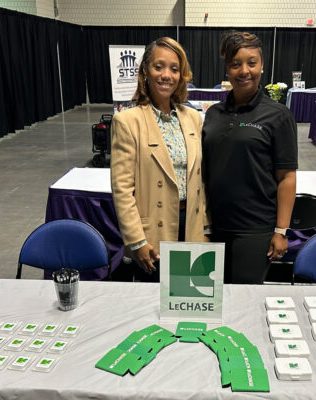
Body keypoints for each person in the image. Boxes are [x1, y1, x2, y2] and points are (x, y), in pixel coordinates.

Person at [202, 31, 298, 284]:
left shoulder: (278, 116)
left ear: (262, 66)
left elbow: (287, 176)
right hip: (213, 227)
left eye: (251, 63)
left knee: (242, 300)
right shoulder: (213, 114)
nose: (244, 70)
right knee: (210, 301)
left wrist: (280, 231)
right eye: (236, 64)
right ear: (227, 69)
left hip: (254, 229)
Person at [111, 37, 207, 281]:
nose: (167, 75)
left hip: (191, 227)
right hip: (152, 232)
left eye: (174, 69)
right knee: (153, 305)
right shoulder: (127, 121)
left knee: (188, 300)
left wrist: (205, 228)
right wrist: (136, 240)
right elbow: (122, 189)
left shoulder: (192, 117)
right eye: (159, 67)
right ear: (145, 70)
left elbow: (201, 179)